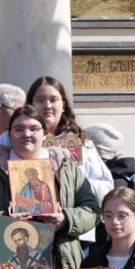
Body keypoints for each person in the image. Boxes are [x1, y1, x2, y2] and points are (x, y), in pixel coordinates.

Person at [0, 105, 100, 269]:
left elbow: (93, 210)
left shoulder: (65, 168)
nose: (27, 134)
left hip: (58, 257)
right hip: (9, 257)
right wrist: (5, 219)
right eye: (18, 129)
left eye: (34, 129)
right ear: (9, 135)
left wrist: (66, 219)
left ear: (45, 134)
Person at [26, 77, 115, 208]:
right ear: (30, 105)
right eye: (41, 100)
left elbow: (106, 189)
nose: (47, 105)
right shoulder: (17, 141)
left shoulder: (81, 142)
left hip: (74, 217)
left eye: (53, 100)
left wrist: (72, 180)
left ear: (63, 105)